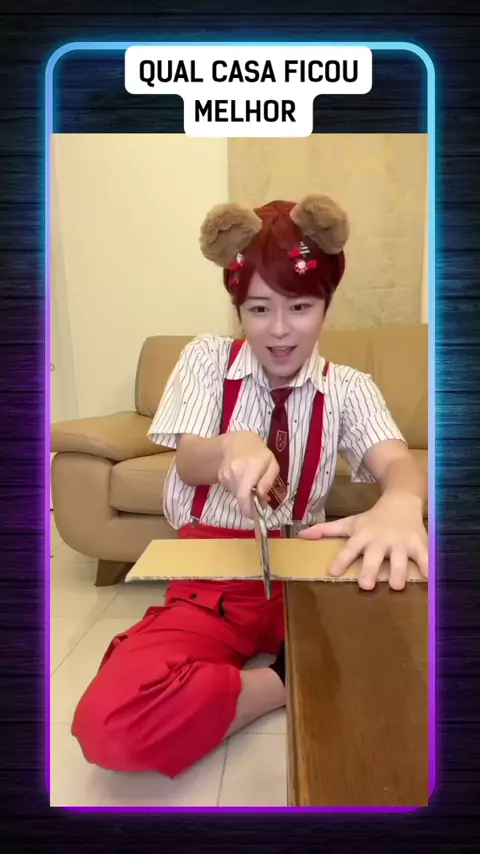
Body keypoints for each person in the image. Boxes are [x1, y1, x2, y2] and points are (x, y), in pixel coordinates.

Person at [72, 194, 428, 778]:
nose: (280, 330)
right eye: (259, 308)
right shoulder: (206, 360)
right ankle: (287, 678)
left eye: (301, 306)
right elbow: (191, 460)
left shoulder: (350, 387)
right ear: (238, 308)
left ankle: (272, 674)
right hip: (214, 582)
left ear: (326, 305)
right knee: (110, 725)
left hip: (309, 573)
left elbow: (397, 460)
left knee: (416, 666)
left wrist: (402, 501)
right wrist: (228, 447)